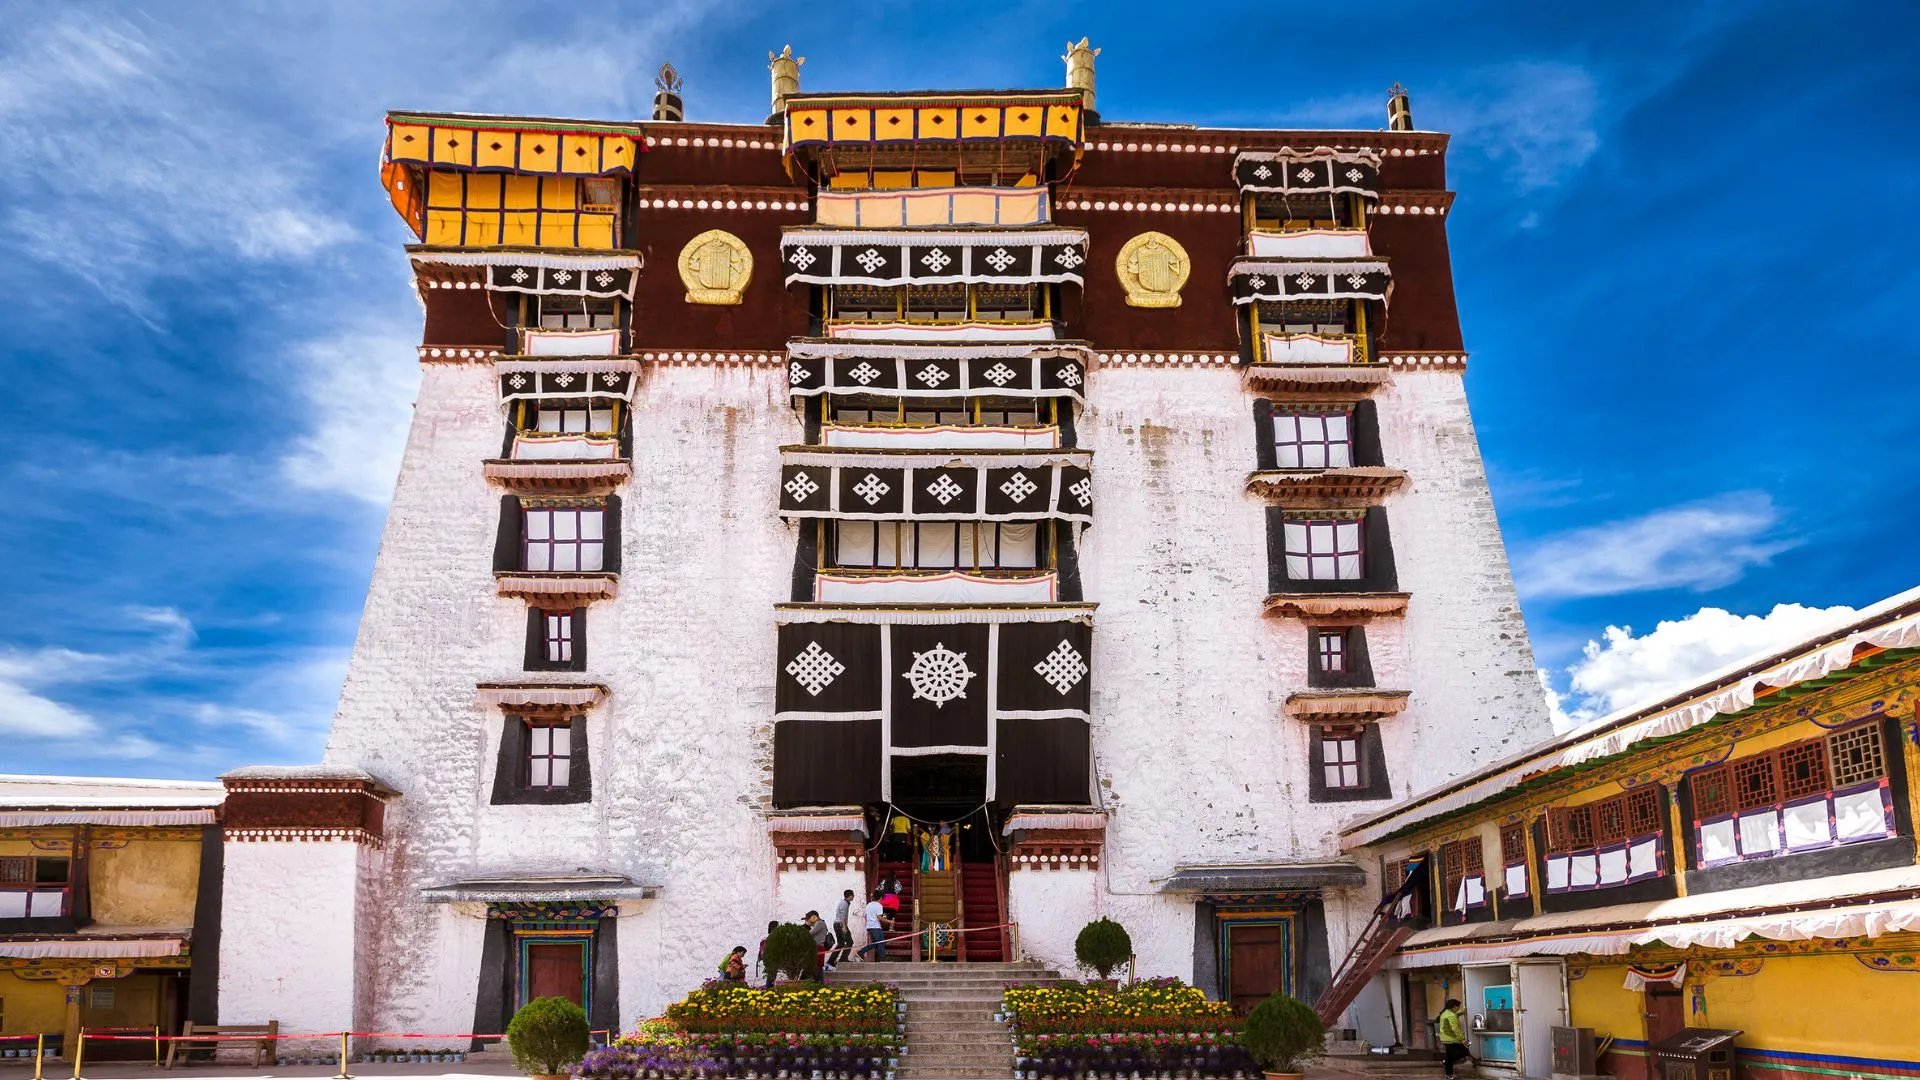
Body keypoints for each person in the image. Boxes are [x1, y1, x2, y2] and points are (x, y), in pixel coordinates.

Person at [1437, 998, 1473, 1078]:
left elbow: (1455, 1015)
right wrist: (1462, 1039)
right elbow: (1455, 1029)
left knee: (1450, 1057)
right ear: (1454, 1007)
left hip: (1445, 1038)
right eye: (1458, 1007)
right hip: (1451, 1039)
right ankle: (1447, 1067)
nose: (1458, 1009)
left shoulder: (1445, 1013)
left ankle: (1448, 1073)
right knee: (1465, 1052)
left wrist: (1462, 1012)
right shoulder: (1451, 1015)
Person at [855, 889, 889, 962]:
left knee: (875, 944)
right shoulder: (879, 906)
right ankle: (883, 960)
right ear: (880, 897)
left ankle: (860, 952)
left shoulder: (869, 905)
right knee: (881, 943)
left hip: (869, 927)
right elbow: (879, 917)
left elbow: (866, 916)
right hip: (876, 927)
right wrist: (889, 921)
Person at [829, 889, 855, 967]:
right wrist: (844, 927)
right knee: (850, 941)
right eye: (853, 895)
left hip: (837, 924)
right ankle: (843, 959)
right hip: (840, 925)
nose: (854, 896)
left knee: (840, 944)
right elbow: (842, 916)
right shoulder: (845, 904)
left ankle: (831, 960)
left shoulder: (843, 902)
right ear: (850, 896)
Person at [757, 920, 778, 988]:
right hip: (772, 960)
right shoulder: (772, 938)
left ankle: (769, 989)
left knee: (771, 976)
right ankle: (769, 990)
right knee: (771, 976)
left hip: (769, 961)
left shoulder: (767, 938)